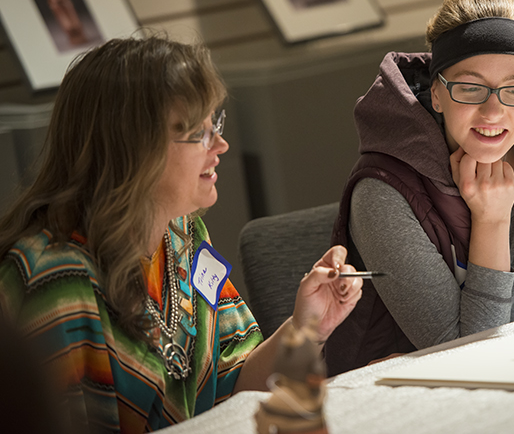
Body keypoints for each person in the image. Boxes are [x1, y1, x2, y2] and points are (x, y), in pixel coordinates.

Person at [0, 36, 363, 432]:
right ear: (133, 149)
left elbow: (237, 388)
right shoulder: (54, 279)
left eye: (215, 124)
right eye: (197, 132)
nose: (221, 145)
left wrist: (308, 326)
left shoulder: (182, 237)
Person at [324, 0, 514, 376]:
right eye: (471, 87)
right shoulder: (383, 194)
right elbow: (466, 358)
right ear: (437, 93)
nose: (494, 111)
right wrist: (491, 220)